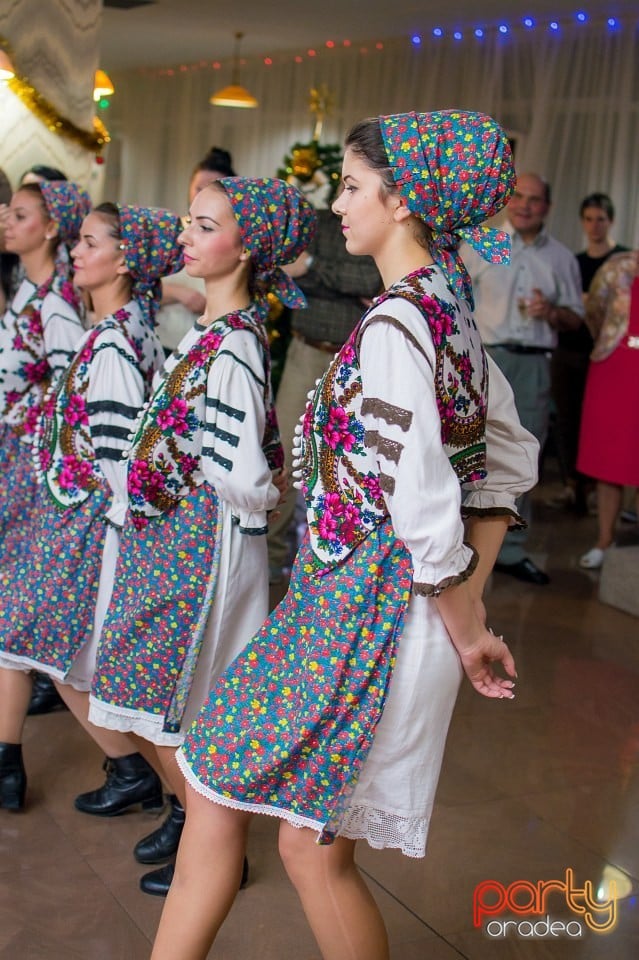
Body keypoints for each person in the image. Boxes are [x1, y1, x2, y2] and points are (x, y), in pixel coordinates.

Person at [150, 109, 537, 960]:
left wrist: (465, 622)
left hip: (365, 615)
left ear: (403, 201)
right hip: (369, 606)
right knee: (301, 843)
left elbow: (429, 501)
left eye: (354, 186)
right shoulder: (447, 306)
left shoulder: (402, 321)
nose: (338, 203)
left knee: (225, 787)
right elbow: (506, 458)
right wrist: (466, 603)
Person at [87, 178, 314, 896]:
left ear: (245, 248)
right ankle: (195, 826)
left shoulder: (236, 343)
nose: (185, 236)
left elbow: (244, 470)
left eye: (204, 225)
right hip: (173, 540)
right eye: (189, 222)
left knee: (187, 696)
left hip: (202, 547)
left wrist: (193, 488)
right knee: (157, 691)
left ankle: (210, 840)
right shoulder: (210, 334)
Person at [0, 202, 182, 812]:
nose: (75, 253)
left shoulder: (110, 345)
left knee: (52, 648)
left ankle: (182, 809)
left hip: (91, 523)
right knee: (59, 655)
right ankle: (140, 782)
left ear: (126, 260)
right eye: (77, 242)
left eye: (89, 242)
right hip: (83, 516)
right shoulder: (124, 331)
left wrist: (103, 531)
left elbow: (120, 464)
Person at [462, 172, 584, 585]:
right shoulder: (480, 243)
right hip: (482, 360)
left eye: (534, 199)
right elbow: (453, 299)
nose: (525, 205)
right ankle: (454, 548)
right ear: (508, 200)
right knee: (465, 452)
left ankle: (510, 552)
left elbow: (575, 319)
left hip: (532, 365)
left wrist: (551, 311)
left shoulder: (562, 258)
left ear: (546, 207)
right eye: (518, 196)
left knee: (520, 457)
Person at [266, 146, 381, 583]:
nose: (344, 199)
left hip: (356, 359)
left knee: (348, 462)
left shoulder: (371, 227)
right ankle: (273, 555)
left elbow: (368, 279)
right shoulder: (314, 223)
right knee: (286, 460)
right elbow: (289, 270)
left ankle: (332, 563)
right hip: (305, 350)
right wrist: (327, 274)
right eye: (344, 185)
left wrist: (314, 268)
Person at [549, 192, 628, 514]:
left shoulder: (623, 262)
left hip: (608, 356)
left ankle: (599, 490)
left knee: (601, 425)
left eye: (601, 219)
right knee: (567, 421)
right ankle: (573, 487)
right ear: (582, 222)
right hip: (569, 349)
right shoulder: (573, 261)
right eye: (589, 219)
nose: (594, 226)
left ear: (611, 222)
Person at [577, 250, 639, 569]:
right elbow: (595, 312)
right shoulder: (619, 266)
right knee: (610, 460)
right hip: (617, 368)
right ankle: (604, 540)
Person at [157, 146, 236, 354]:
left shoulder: (235, 242)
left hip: (208, 347)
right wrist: (177, 293)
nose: (203, 197)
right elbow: (137, 289)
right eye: (198, 189)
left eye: (212, 189)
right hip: (163, 339)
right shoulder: (169, 232)